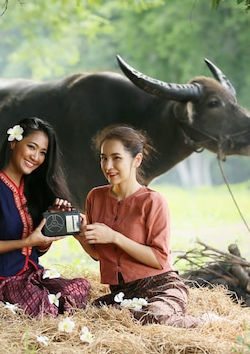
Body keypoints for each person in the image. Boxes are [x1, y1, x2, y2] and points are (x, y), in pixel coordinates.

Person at [75, 124, 203, 327]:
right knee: (91, 318)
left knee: (152, 318)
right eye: (103, 158)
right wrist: (81, 234)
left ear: (137, 160)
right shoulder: (95, 197)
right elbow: (100, 254)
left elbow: (159, 259)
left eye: (116, 158)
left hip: (160, 286)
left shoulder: (153, 201)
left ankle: (208, 323)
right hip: (122, 294)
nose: (108, 166)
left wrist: (114, 236)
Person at [0, 117, 90, 317]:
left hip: (29, 276)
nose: (36, 157)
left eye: (42, 153)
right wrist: (27, 241)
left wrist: (52, 226)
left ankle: (52, 308)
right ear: (13, 143)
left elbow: (35, 250)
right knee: (39, 302)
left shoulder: (32, 190)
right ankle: (51, 309)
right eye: (31, 147)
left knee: (79, 288)